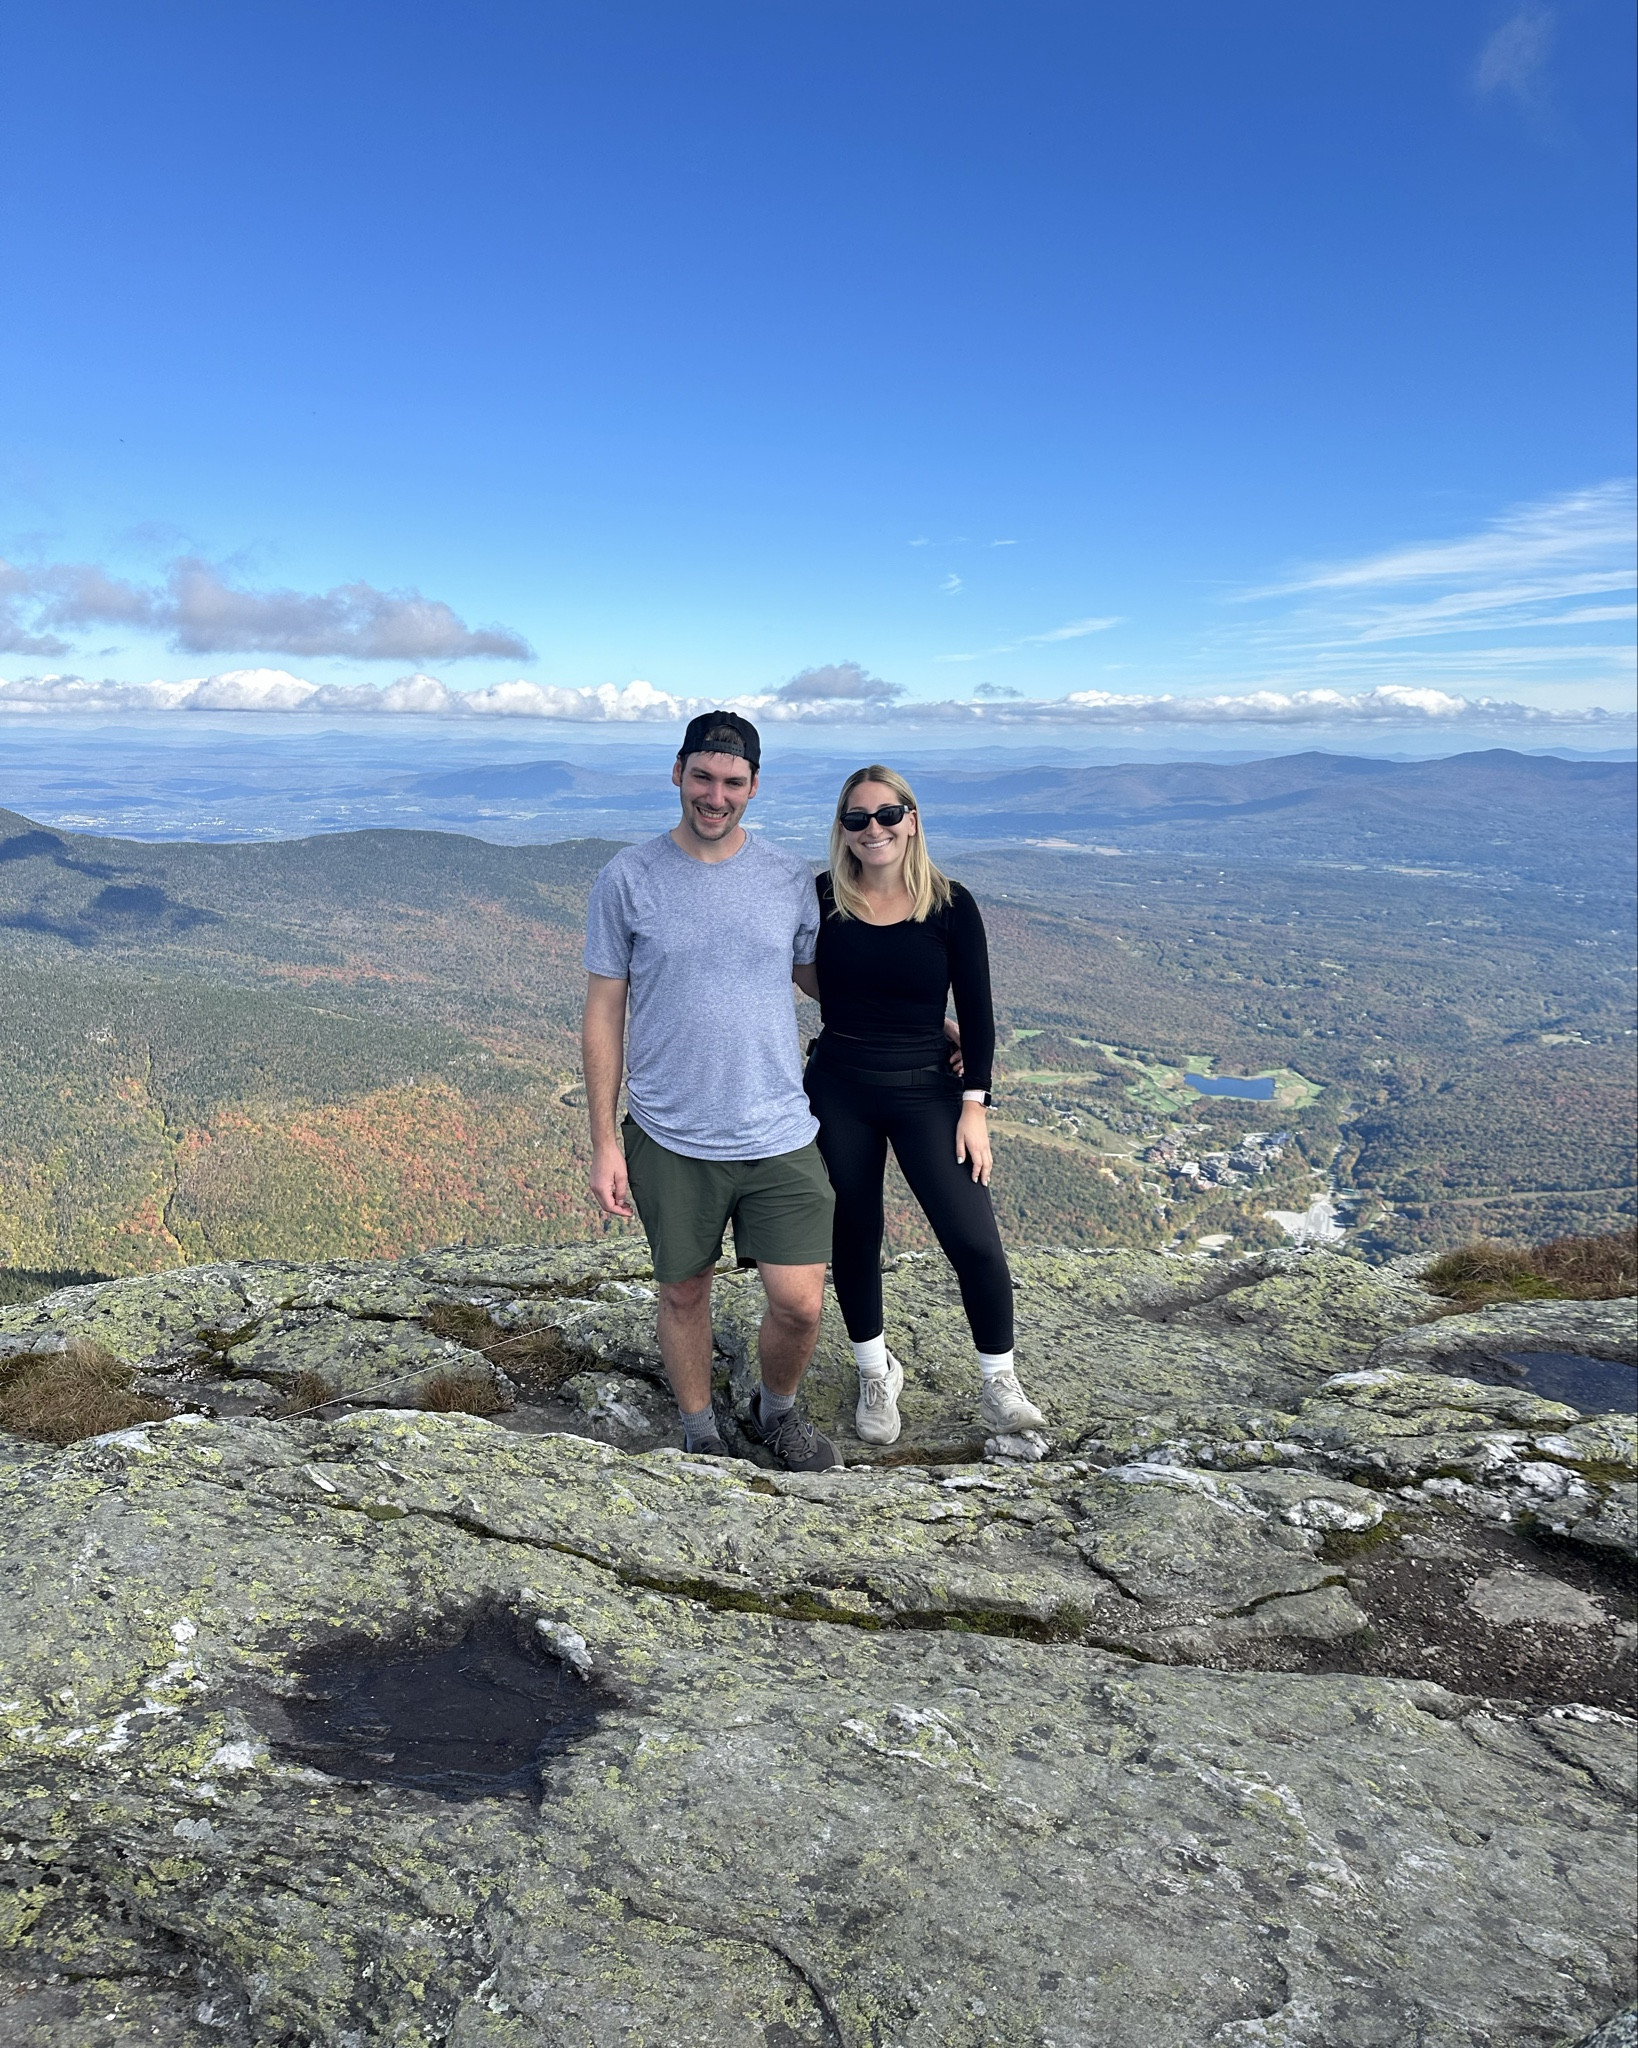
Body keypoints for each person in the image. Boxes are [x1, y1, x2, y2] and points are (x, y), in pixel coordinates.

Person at [581, 710, 840, 1471]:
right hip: (669, 1131)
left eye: (732, 782)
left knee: (799, 1304)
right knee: (684, 1294)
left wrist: (929, 1027)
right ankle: (699, 1430)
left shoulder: (790, 879)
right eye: (703, 777)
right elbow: (603, 1011)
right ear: (677, 773)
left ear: (754, 787)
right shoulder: (629, 877)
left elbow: (827, 984)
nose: (715, 795)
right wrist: (603, 1142)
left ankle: (775, 1410)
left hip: (779, 1130)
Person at [794, 764, 1046, 1448]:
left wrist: (975, 1106)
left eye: (886, 814)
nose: (873, 829)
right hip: (840, 1083)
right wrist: (909, 1019)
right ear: (841, 831)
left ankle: (999, 1382)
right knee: (854, 1234)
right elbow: (812, 976)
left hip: (928, 1091)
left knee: (973, 1240)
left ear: (912, 819)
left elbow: (980, 1012)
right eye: (856, 818)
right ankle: (876, 1372)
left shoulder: (950, 904)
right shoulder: (821, 898)